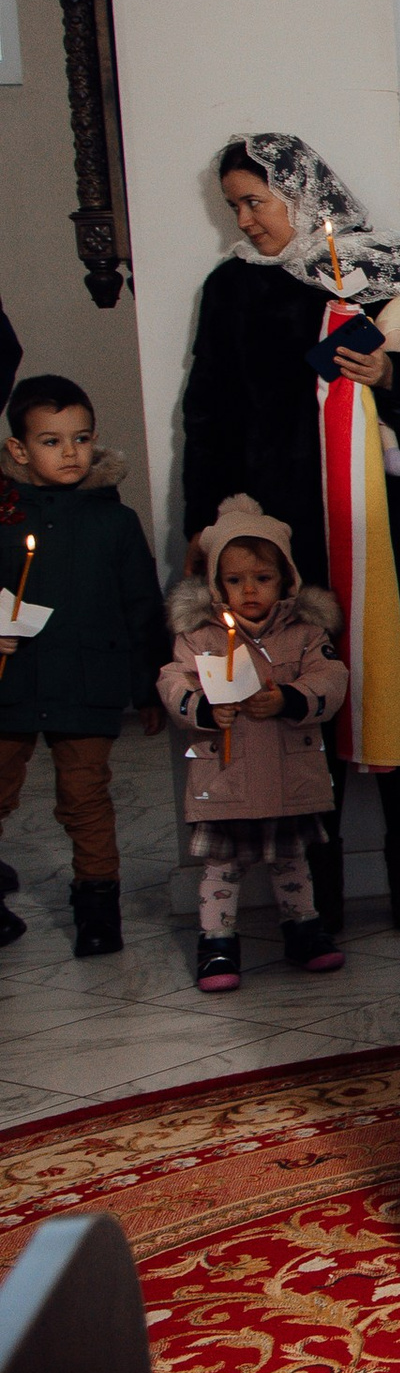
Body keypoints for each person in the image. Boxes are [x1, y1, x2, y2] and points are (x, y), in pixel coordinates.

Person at [180, 135, 400, 937]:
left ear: (302, 193)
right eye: (234, 205)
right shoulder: (233, 289)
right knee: (302, 688)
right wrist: (205, 530)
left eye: (257, 200)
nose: (246, 218)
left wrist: (393, 378)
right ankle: (315, 880)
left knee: (399, 676)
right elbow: (208, 415)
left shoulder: (389, 266)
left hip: (392, 521)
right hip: (289, 531)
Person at [0, 372, 166, 957]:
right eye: (51, 441)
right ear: (19, 450)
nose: (70, 452)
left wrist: (147, 688)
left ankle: (98, 909)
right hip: (9, 686)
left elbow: (141, 607)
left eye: (81, 437)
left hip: (86, 683)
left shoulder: (113, 522)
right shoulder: (2, 517)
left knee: (86, 797)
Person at [158, 495, 350, 993]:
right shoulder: (200, 636)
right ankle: (217, 941)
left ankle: (303, 929)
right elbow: (173, 682)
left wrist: (288, 698)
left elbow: (331, 679)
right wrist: (202, 708)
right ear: (216, 582)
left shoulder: (306, 633)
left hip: (290, 775)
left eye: (262, 578)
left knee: (292, 861)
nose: (249, 590)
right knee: (222, 866)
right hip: (227, 779)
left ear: (285, 578)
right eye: (235, 579)